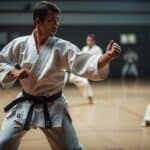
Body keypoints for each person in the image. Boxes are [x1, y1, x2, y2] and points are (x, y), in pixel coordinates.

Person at [0, 1, 121, 150]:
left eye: (58, 20)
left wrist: (107, 57)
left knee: (71, 148)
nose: (56, 24)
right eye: (51, 20)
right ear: (38, 21)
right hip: (26, 103)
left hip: (52, 106)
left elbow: (85, 62)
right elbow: (2, 60)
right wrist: (14, 72)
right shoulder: (21, 44)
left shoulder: (62, 47)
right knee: (3, 143)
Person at [64, 34, 103, 104]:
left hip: (91, 69)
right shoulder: (84, 48)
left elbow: (100, 60)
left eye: (90, 40)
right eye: (87, 40)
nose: (89, 42)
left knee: (84, 82)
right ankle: (57, 98)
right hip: (82, 69)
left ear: (94, 41)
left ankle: (90, 99)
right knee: (64, 80)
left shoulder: (97, 49)